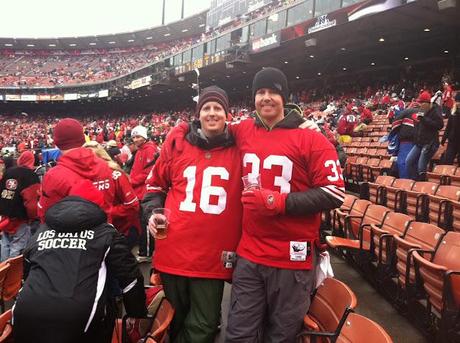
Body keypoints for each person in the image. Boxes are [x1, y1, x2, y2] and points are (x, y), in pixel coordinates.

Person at [225, 67, 345, 342]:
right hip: (250, 253)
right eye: (260, 92)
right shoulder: (244, 130)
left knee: (282, 336)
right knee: (239, 334)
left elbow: (335, 193)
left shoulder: (311, 137)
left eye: (273, 92)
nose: (266, 98)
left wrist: (276, 201)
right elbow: (211, 128)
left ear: (285, 97)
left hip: (292, 258)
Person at [142, 86, 242, 343]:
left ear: (227, 114)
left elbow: (272, 137)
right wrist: (152, 213)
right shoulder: (177, 143)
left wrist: (302, 124)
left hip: (213, 256)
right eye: (206, 108)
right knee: (174, 319)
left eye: (217, 108)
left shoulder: (241, 146)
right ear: (198, 115)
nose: (211, 113)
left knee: (204, 324)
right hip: (174, 249)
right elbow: (154, 186)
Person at [13, 180, 147, 343]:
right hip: (80, 317)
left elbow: (27, 269)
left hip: (27, 310)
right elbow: (130, 277)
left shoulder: (43, 230)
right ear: (97, 207)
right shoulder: (106, 233)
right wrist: (136, 313)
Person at [38, 118, 118, 219]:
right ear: (82, 139)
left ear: (56, 142)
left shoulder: (53, 175)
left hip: (68, 233)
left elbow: (44, 214)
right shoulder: (105, 165)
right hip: (104, 231)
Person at [84, 141, 140, 247]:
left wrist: (107, 213)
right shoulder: (80, 176)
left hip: (120, 231)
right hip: (94, 233)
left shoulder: (115, 174)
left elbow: (132, 205)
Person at [0, 150, 40, 261]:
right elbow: (31, 203)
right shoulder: (31, 176)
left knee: (5, 245)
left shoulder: (9, 172)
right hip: (20, 219)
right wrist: (33, 217)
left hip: (5, 218)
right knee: (17, 249)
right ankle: (13, 276)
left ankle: (2, 272)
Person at [130, 125, 159, 261]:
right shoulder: (141, 150)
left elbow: (148, 173)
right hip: (139, 191)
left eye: (138, 136)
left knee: (145, 223)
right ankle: (145, 250)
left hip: (145, 192)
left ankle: (146, 253)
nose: (135, 139)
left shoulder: (149, 149)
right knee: (142, 223)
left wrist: (132, 181)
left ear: (144, 137)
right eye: (134, 137)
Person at [406, 90, 444, 180]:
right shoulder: (421, 111)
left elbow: (440, 125)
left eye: (421, 102)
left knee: (421, 166)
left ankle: (422, 185)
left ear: (427, 102)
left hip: (430, 143)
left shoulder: (435, 109)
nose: (420, 104)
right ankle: (414, 182)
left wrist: (424, 119)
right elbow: (418, 127)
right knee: (409, 161)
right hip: (419, 142)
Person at [441, 92, 460, 164]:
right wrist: (444, 138)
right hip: (452, 141)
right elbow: (448, 127)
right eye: (457, 101)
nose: (457, 103)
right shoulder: (453, 113)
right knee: (448, 160)